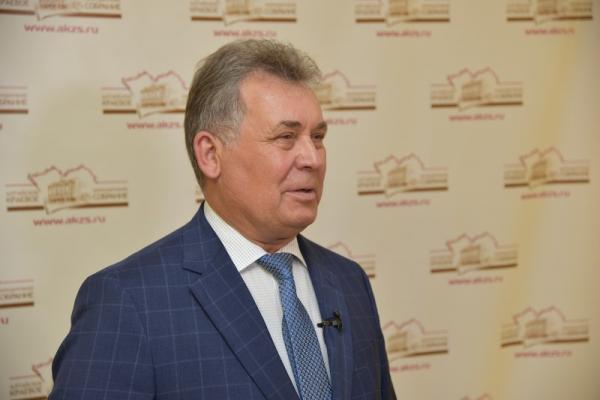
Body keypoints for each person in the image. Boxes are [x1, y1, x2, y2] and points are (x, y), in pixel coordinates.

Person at [50, 39, 396, 400]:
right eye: (286, 137)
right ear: (211, 155)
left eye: (318, 137)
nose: (313, 158)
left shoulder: (349, 282)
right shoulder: (128, 302)